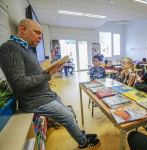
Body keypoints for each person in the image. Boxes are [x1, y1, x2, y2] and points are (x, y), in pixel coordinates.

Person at [0, 19, 100, 149]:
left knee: (69, 115)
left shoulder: (27, 49)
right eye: (37, 32)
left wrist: (50, 70)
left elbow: (30, 74)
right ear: (24, 29)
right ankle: (83, 142)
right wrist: (48, 74)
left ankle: (81, 135)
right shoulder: (11, 48)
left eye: (41, 33)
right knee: (68, 117)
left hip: (45, 95)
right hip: (35, 100)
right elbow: (19, 82)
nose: (40, 37)